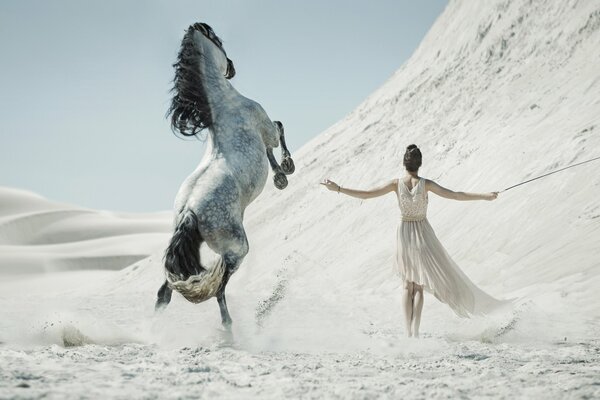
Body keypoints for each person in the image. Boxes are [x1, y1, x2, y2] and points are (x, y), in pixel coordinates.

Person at [321, 144, 505, 338]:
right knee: (418, 287)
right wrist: (485, 196)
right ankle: (415, 332)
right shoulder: (426, 184)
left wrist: (338, 189)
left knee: (407, 285)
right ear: (420, 165)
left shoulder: (395, 184)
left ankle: (408, 332)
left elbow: (367, 194)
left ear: (404, 163)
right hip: (423, 234)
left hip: (404, 235)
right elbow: (456, 195)